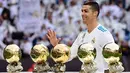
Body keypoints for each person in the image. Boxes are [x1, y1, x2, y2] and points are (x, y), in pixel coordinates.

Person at [46, 1, 114, 73]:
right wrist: (56, 46)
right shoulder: (82, 35)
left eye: (86, 11)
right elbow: (69, 55)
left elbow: (113, 61)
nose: (82, 14)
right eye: (82, 11)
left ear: (95, 13)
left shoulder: (104, 33)